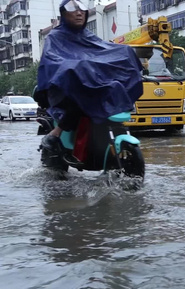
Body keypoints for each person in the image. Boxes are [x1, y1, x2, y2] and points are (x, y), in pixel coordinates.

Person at [36, 0, 143, 165]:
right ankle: (55, 134)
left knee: (118, 73)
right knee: (79, 99)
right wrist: (73, 67)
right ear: (64, 14)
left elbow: (104, 52)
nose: (79, 13)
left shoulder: (88, 36)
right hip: (64, 87)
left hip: (89, 84)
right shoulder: (55, 37)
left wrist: (127, 56)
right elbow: (52, 61)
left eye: (82, 10)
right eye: (73, 9)